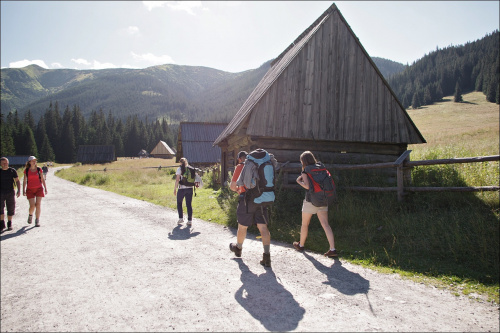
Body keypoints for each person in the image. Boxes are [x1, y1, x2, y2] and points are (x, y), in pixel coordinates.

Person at [229, 151, 272, 267]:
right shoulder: (262, 165)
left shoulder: (241, 167)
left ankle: (238, 248)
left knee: (242, 226)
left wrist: (239, 190)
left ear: (240, 159)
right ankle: (266, 256)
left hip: (246, 200)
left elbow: (233, 186)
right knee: (263, 227)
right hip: (262, 198)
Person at [293, 151, 337, 257]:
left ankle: (301, 245)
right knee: (326, 225)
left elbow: (308, 186)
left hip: (311, 201)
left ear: (303, 161)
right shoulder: (321, 167)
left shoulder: (306, 170)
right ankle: (332, 249)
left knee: (305, 224)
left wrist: (299, 181)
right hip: (324, 199)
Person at [22, 156, 48, 227]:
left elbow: (42, 179)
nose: (34, 162)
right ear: (29, 162)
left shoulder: (39, 169)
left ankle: (37, 220)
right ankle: (30, 215)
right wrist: (23, 190)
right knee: (32, 206)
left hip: (39, 189)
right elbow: (24, 181)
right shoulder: (27, 170)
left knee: (38, 204)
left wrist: (45, 188)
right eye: (33, 161)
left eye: (35, 160)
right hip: (30, 189)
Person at [0, 157, 21, 232]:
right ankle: (2, 224)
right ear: (1, 164)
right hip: (1, 192)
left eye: (6, 163)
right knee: (1, 208)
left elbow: (17, 181)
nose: (5, 164)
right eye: (3, 163)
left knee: (11, 208)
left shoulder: (12, 171)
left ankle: (9, 223)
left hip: (10, 192)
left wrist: (19, 190)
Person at [174, 157, 196, 227]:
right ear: (186, 162)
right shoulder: (190, 168)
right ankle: (189, 220)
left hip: (181, 189)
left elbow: (177, 179)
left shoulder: (179, 169)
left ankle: (181, 218)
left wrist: (175, 189)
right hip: (190, 189)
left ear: (180, 162)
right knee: (189, 204)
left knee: (179, 203)